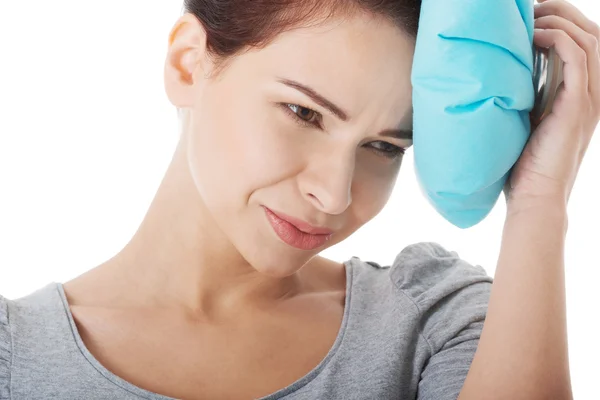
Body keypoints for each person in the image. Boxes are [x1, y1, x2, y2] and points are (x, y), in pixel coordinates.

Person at [0, 0, 597, 399]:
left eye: (385, 147)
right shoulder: (14, 355)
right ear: (188, 64)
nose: (334, 193)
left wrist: (540, 202)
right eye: (303, 112)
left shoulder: (428, 323)